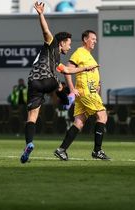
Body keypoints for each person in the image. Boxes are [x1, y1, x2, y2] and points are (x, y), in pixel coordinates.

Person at [20, 2, 97, 164]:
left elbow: (68, 70)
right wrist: (41, 14)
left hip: (33, 82)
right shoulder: (52, 42)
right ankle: (66, 101)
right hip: (47, 80)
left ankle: (29, 144)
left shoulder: (56, 59)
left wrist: (84, 68)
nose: (69, 47)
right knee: (59, 85)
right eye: (68, 44)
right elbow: (45, 30)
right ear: (61, 42)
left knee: (32, 116)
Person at [54, 30, 110, 161]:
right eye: (93, 39)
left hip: (88, 90)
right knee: (102, 116)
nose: (95, 41)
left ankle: (61, 149)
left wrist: (97, 84)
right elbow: (67, 70)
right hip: (85, 91)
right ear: (85, 39)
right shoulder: (80, 53)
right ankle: (97, 150)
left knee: (79, 122)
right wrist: (72, 89)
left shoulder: (89, 55)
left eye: (96, 39)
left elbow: (91, 74)